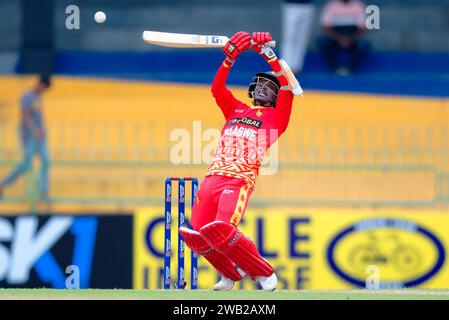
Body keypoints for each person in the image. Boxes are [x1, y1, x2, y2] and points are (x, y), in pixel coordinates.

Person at [178, 32, 296, 291]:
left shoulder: (277, 119)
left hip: (238, 179)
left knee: (221, 229)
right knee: (197, 235)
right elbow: (216, 89)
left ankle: (265, 273)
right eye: (261, 84)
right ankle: (229, 275)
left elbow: (288, 86)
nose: (264, 88)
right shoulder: (236, 109)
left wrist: (268, 54)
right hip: (213, 177)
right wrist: (229, 59)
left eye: (270, 86)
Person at [0, 75, 51, 200]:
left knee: (46, 161)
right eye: (44, 87)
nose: (44, 90)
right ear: (40, 84)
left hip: (40, 136)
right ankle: (3, 183)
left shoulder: (38, 97)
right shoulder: (26, 96)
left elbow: (38, 117)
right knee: (27, 164)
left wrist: (42, 131)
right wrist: (35, 131)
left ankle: (44, 191)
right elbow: (25, 116)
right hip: (29, 136)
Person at [318, 0, 369, 75]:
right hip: (335, 38)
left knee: (363, 43)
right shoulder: (331, 5)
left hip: (352, 38)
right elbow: (326, 26)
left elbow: (362, 27)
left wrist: (350, 39)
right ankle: (336, 68)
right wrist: (338, 38)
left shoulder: (358, 5)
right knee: (322, 42)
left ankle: (349, 68)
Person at [281, 0, 316, 74]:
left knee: (303, 39)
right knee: (289, 38)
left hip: (308, 5)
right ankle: (285, 66)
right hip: (292, 5)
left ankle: (297, 67)